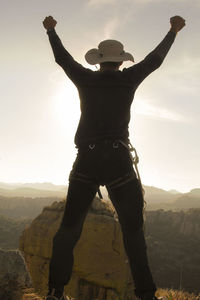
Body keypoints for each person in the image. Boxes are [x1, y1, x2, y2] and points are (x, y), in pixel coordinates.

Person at [43, 15, 185, 300]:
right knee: (133, 234)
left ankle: (55, 293)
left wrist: (51, 31)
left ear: (98, 61)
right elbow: (154, 60)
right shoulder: (129, 79)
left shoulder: (85, 78)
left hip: (87, 160)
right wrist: (172, 31)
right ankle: (146, 295)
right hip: (119, 160)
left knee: (69, 230)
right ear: (121, 61)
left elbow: (62, 59)